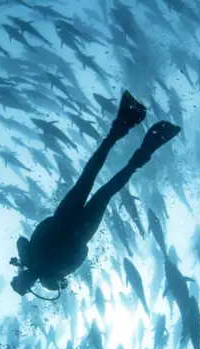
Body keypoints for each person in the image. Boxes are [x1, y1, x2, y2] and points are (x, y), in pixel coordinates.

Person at [10, 90, 181, 299]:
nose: (21, 277)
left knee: (100, 185)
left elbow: (78, 256)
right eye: (19, 281)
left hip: (76, 227)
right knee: (94, 180)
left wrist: (27, 260)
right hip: (71, 223)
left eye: (18, 279)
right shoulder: (42, 271)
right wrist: (25, 261)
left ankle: (133, 136)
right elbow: (28, 241)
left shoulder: (46, 275)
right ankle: (128, 130)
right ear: (27, 285)